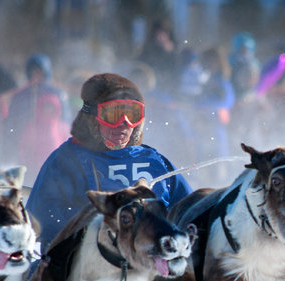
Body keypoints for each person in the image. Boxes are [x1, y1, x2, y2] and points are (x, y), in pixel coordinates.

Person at [26, 73, 193, 248]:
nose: (124, 123)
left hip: (153, 261)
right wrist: (99, 226)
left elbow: (189, 212)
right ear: (92, 118)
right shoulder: (67, 160)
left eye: (132, 115)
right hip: (87, 262)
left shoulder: (154, 161)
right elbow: (41, 218)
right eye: (113, 115)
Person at [4, 54, 70, 182]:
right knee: (29, 177)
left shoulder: (57, 93)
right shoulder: (21, 95)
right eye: (33, 72)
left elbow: (65, 121)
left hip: (52, 142)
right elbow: (12, 121)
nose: (36, 76)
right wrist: (12, 140)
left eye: (39, 72)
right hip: (27, 143)